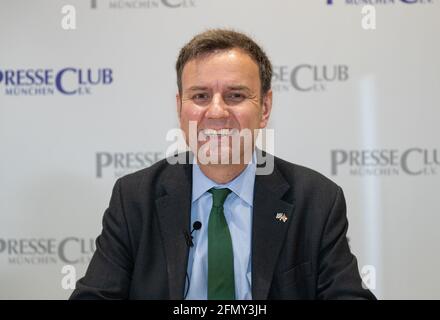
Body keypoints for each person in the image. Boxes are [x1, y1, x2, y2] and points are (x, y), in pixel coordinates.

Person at [70, 29, 375, 300]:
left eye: (236, 95)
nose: (216, 112)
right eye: (200, 95)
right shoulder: (134, 197)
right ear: (179, 108)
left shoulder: (316, 200)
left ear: (265, 107)